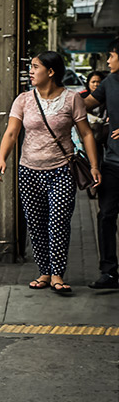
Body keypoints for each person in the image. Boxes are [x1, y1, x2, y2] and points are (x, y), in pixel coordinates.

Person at [0, 52, 102, 294]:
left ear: (51, 72)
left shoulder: (72, 99)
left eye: (35, 67)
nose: (30, 71)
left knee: (59, 222)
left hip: (62, 170)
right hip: (29, 170)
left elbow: (86, 134)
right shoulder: (23, 100)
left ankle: (57, 274)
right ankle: (44, 271)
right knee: (36, 224)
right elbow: (11, 133)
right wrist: (2, 159)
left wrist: (94, 166)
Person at [84, 43, 119, 289]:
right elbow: (85, 104)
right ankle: (109, 272)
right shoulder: (109, 83)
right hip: (112, 163)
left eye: (112, 56)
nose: (108, 61)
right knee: (106, 215)